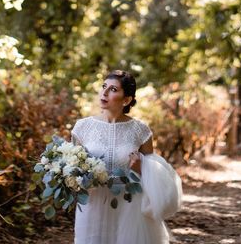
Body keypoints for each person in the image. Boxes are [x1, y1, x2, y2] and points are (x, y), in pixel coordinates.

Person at [71, 70, 181, 244]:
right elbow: (73, 168)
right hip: (93, 203)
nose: (104, 93)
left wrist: (141, 166)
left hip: (130, 206)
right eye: (104, 87)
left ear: (127, 100)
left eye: (113, 89)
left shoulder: (141, 130)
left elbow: (156, 177)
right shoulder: (82, 127)